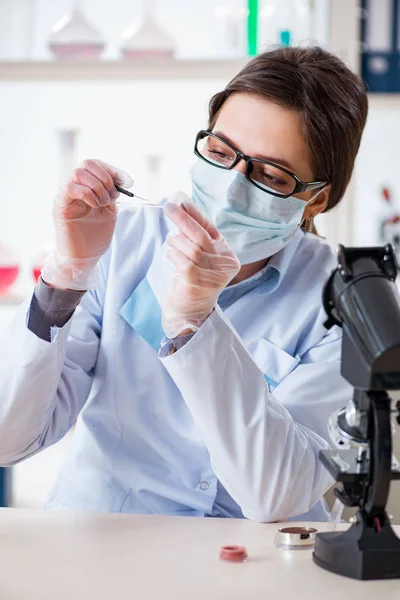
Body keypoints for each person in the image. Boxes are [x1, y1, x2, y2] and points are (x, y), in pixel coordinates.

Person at [0, 46, 368, 521]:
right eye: (219, 152)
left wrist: (197, 324)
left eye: (272, 176)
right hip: (103, 537)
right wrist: (65, 276)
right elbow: (9, 440)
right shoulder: (121, 243)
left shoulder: (342, 299)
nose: (232, 187)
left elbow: (276, 493)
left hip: (252, 557)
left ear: (316, 200)